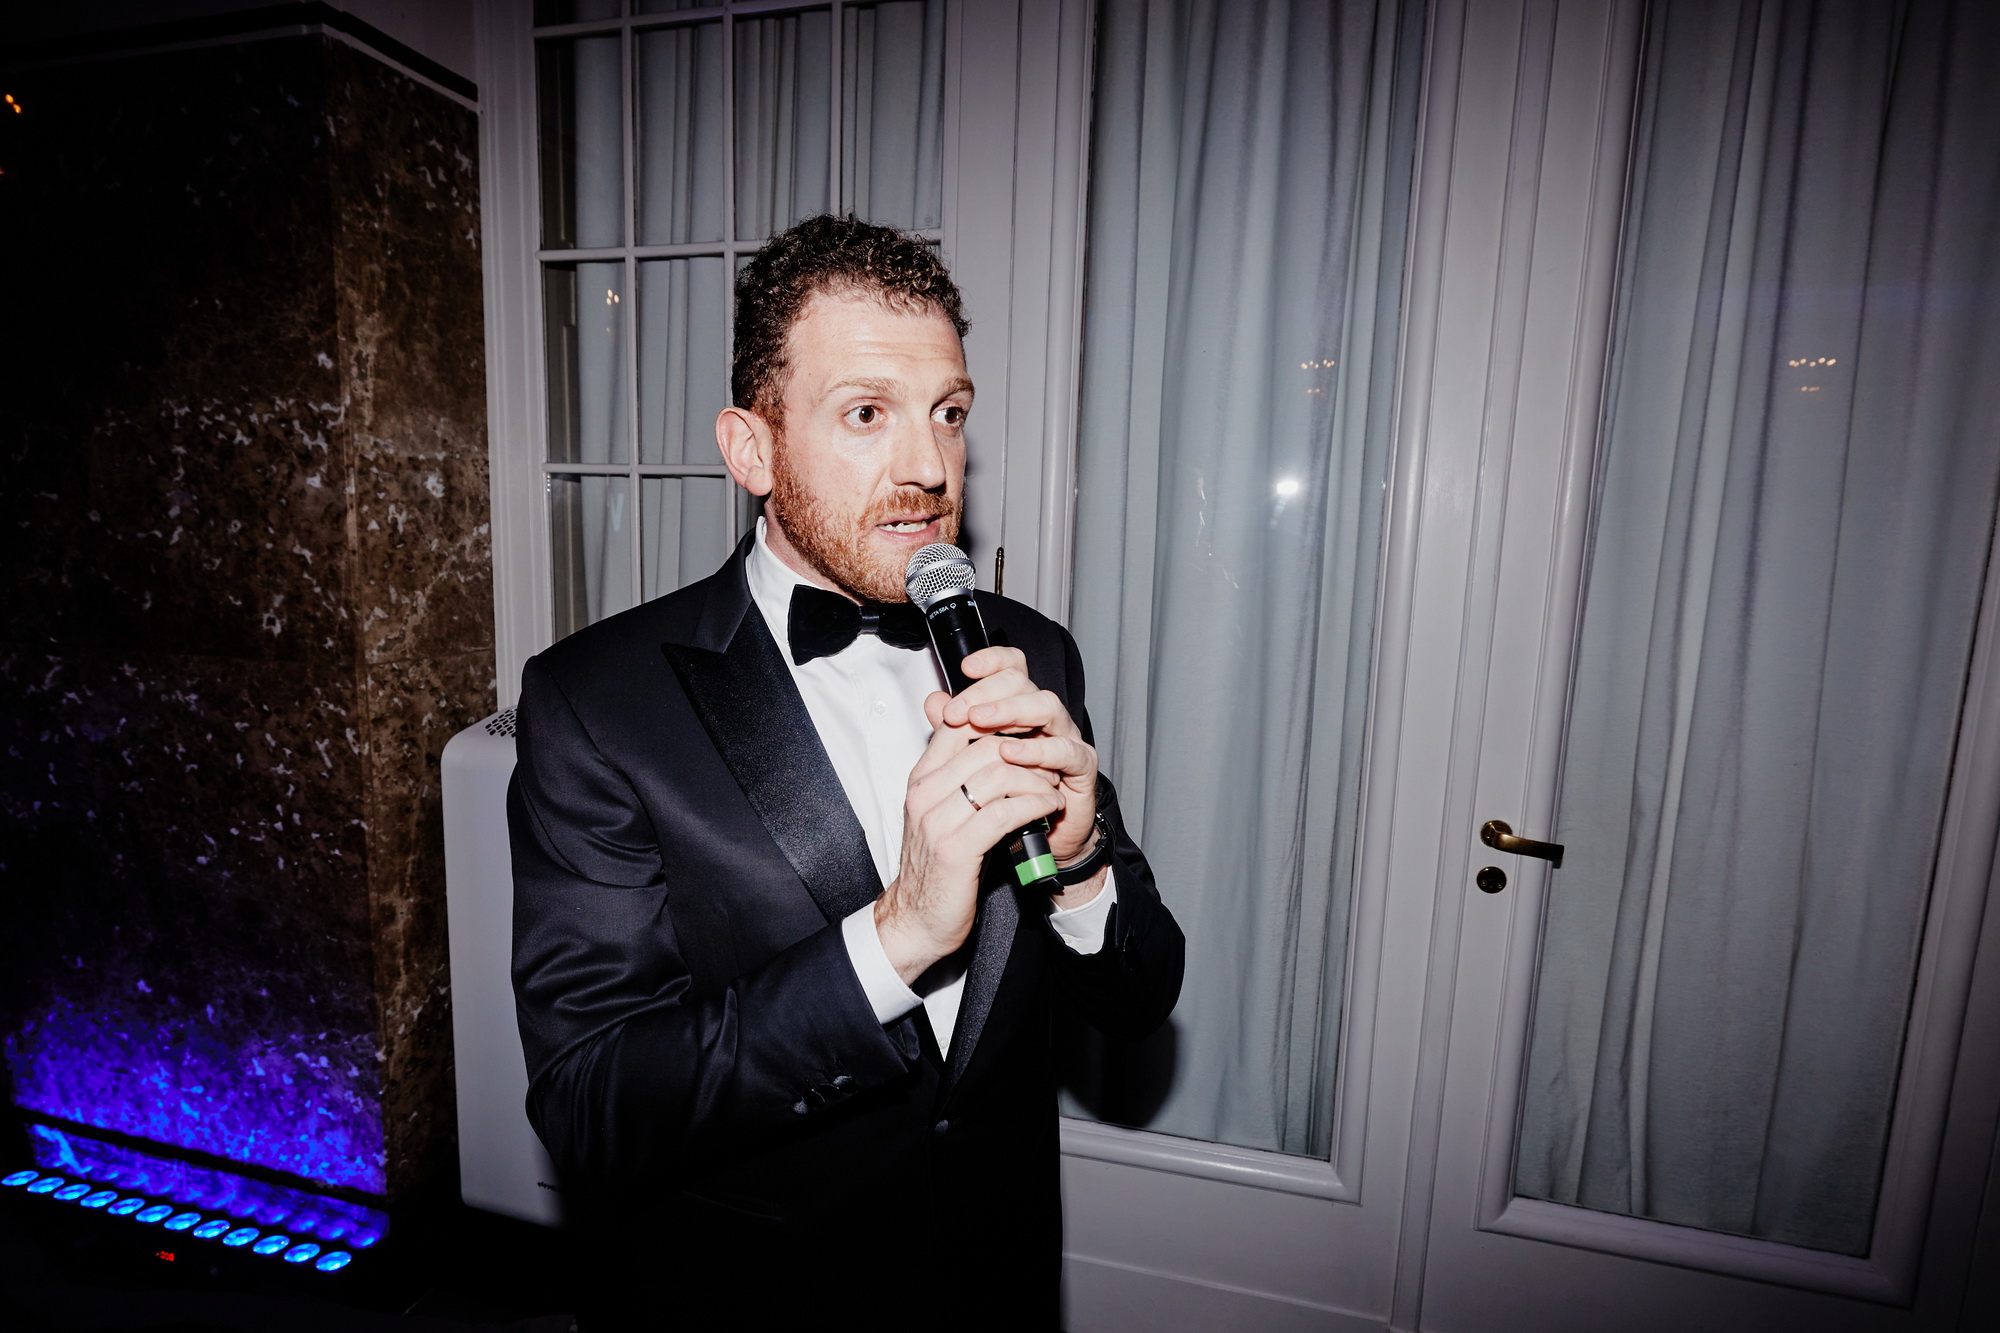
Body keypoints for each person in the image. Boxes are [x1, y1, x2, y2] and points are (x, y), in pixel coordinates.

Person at [508, 215, 1184, 1330]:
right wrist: (895, 937)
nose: (929, 467)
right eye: (867, 413)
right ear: (752, 450)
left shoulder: (1031, 651)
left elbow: (1139, 994)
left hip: (1000, 1280)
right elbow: (592, 1105)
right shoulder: (595, 702)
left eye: (949, 413)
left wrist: (1077, 866)